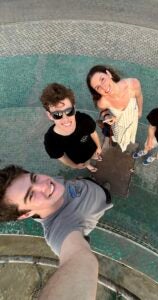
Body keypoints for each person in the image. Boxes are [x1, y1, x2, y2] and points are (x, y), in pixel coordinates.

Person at [0, 165, 113, 299]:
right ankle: (105, 189)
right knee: (106, 192)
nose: (44, 185)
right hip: (102, 199)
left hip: (86, 183)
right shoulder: (58, 231)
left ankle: (94, 182)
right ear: (26, 214)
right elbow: (78, 259)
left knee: (90, 183)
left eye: (34, 178)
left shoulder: (52, 185)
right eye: (31, 195)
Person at [40, 83, 102, 173]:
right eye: (57, 114)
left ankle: (94, 156)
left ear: (74, 108)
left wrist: (98, 147)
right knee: (85, 163)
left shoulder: (84, 119)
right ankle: (88, 165)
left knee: (94, 154)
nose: (66, 119)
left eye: (69, 111)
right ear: (50, 115)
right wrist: (74, 165)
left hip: (92, 148)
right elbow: (61, 156)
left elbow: (93, 133)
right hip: (79, 159)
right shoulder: (51, 141)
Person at [86, 65, 143, 152]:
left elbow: (139, 96)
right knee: (117, 137)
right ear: (96, 91)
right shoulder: (102, 102)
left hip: (132, 118)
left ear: (108, 74)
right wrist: (107, 116)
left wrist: (140, 111)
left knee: (130, 134)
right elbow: (103, 111)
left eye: (102, 79)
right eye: (97, 87)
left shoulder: (133, 84)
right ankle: (113, 139)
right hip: (118, 124)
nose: (103, 87)